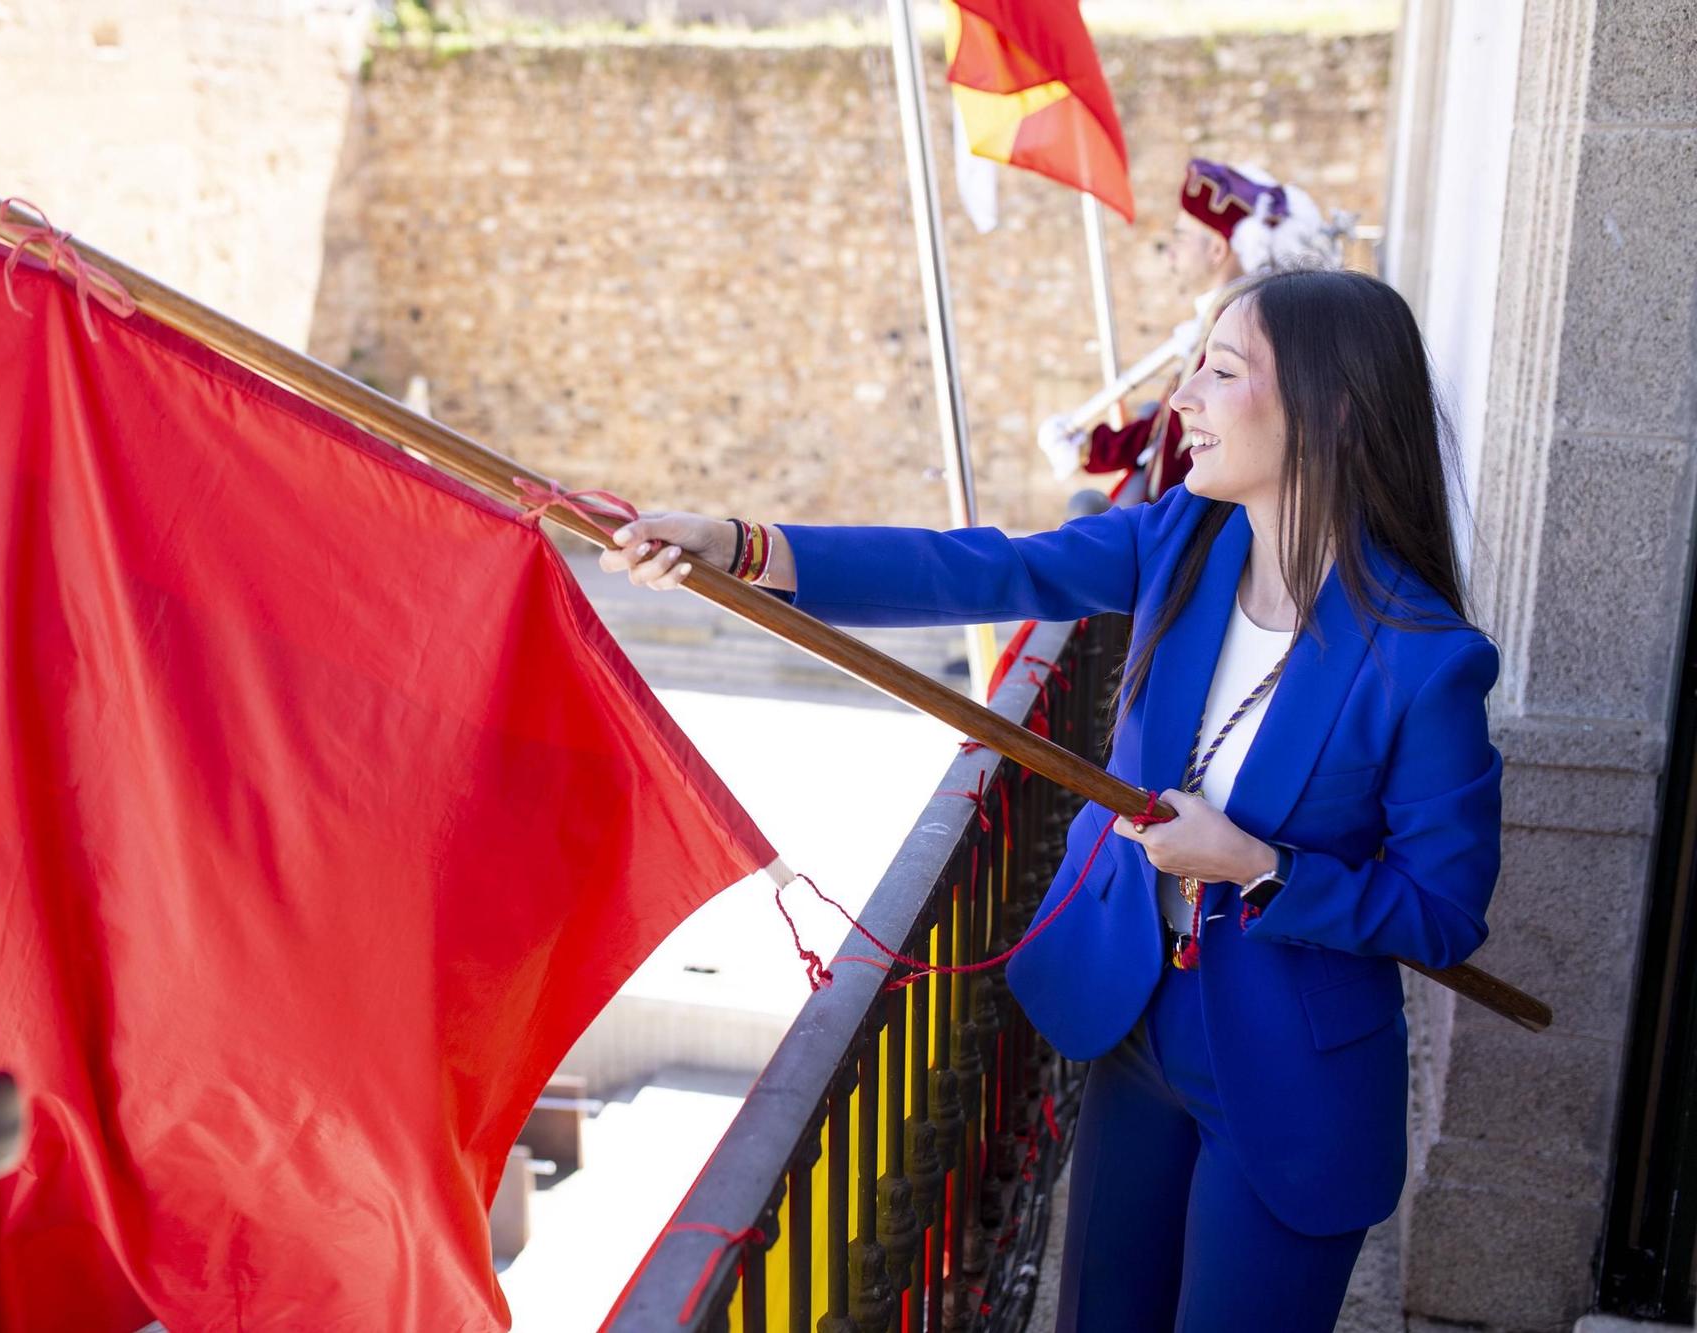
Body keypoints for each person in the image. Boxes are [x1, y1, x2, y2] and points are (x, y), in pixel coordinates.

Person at [600, 268, 1502, 1333]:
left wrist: (1258, 868)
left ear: (1332, 408)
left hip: (1291, 1073)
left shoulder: (1424, 658)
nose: (1183, 399)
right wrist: (745, 546)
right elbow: (980, 570)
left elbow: (1440, 913)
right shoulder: (1181, 542)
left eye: (1220, 372)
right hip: (1137, 1025)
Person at [1041, 159, 1345, 505]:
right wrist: (1091, 449)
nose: (1170, 251)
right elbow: (1169, 428)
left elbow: (1202, 438)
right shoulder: (1214, 321)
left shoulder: (1238, 328)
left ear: (1216, 249)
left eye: (1181, 236)